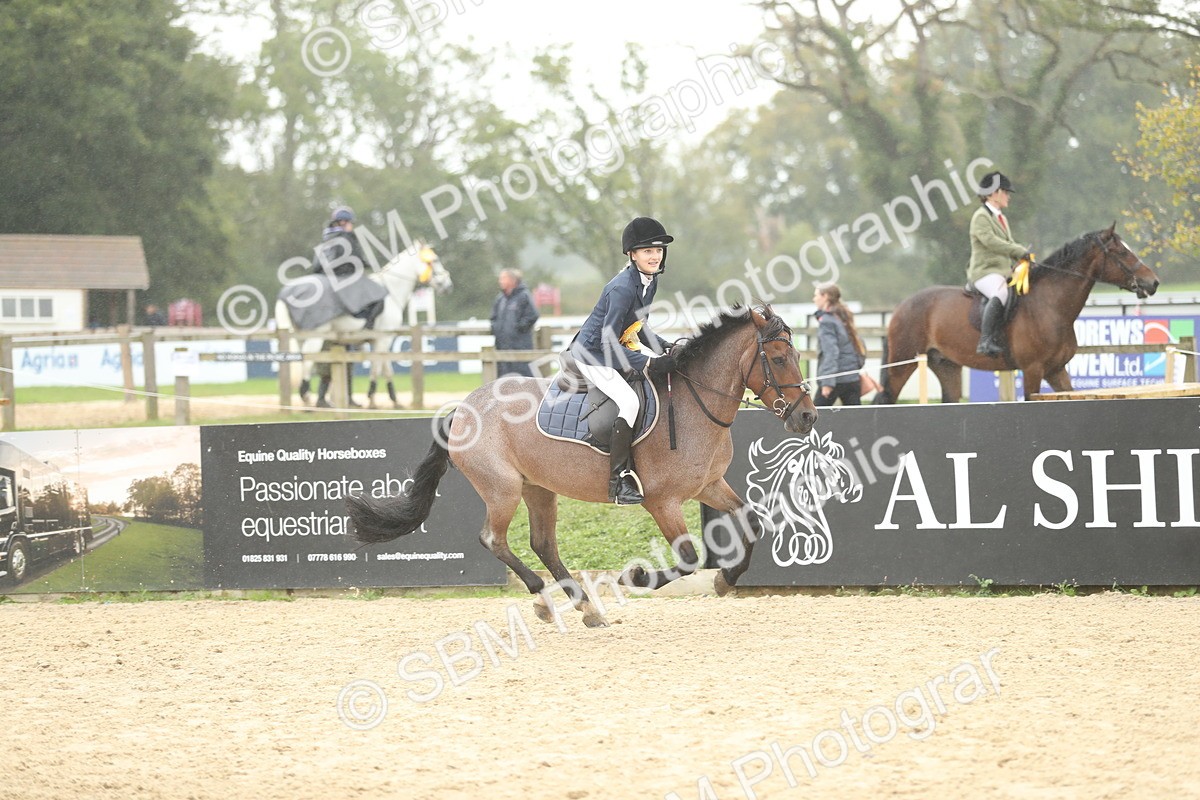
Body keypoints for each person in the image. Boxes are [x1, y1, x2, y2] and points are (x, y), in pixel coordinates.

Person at [566, 216, 676, 505]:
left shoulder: (649, 281)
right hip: (593, 354)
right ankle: (619, 481)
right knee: (630, 402)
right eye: (648, 251)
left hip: (615, 346)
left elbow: (640, 326)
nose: (655, 256)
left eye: (658, 250)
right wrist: (647, 363)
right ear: (633, 254)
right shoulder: (622, 288)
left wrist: (667, 348)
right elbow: (607, 342)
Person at [967, 171, 1035, 357]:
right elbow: (991, 242)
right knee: (1001, 292)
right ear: (995, 193)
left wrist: (1024, 259)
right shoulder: (980, 217)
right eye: (1006, 192)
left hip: (1003, 271)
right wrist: (1019, 250)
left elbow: (1010, 243)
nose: (1008, 197)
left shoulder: (1001, 218)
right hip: (984, 272)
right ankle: (985, 341)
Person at [313, 206, 386, 329]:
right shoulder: (346, 237)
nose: (352, 226)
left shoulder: (325, 237)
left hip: (324, 278)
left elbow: (316, 264)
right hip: (344, 278)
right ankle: (367, 327)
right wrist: (367, 265)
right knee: (379, 296)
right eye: (350, 223)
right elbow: (354, 259)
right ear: (343, 222)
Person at [812, 283, 864, 406]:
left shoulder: (827, 321)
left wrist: (827, 383)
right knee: (856, 419)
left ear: (825, 297)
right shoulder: (844, 316)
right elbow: (859, 345)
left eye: (816, 295)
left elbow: (831, 352)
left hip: (835, 380)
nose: (814, 299)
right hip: (852, 378)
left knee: (813, 419)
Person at [490, 268, 540, 377]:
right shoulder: (500, 299)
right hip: (502, 347)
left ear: (512, 281)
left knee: (523, 379)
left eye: (503, 278)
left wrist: (518, 329)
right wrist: (497, 329)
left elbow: (532, 315)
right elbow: (493, 318)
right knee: (504, 380)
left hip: (520, 346)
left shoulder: (524, 296)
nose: (500, 281)